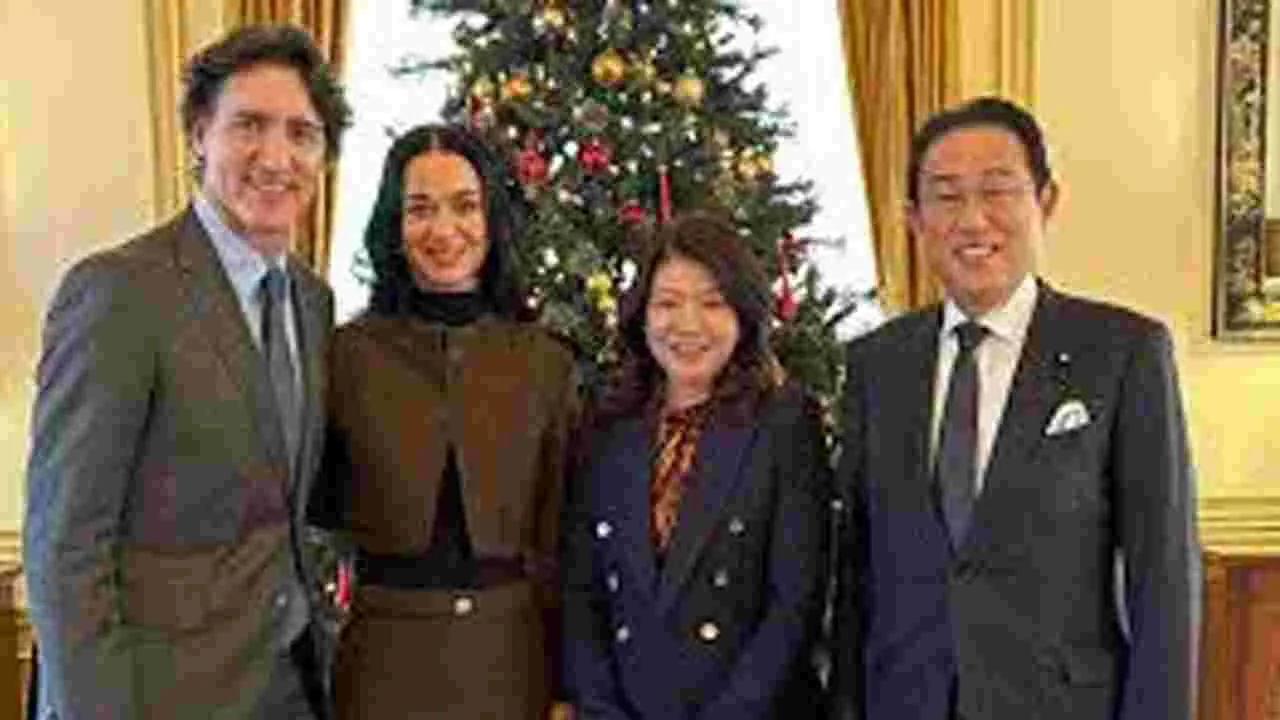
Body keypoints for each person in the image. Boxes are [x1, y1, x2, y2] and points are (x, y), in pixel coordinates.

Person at [827, 96, 1200, 720]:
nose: (973, 220)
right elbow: (857, 575)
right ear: (914, 219)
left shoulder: (1122, 353)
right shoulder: (877, 364)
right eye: (946, 196)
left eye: (998, 190)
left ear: (1045, 201)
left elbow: (1163, 577)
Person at [22, 24, 350, 719]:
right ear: (199, 135)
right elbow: (65, 547)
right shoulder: (119, 292)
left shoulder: (313, 302)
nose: (277, 157)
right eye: (249, 125)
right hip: (161, 697)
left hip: (288, 687)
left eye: (302, 133)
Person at [307, 123, 579, 719]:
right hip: (383, 662)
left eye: (464, 205)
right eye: (420, 209)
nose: (444, 229)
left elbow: (561, 540)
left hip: (513, 661)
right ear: (394, 225)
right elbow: (318, 509)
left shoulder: (547, 362)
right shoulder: (346, 355)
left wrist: (566, 687)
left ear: (492, 218)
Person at [562, 212, 830, 719]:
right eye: (667, 303)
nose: (687, 325)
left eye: (712, 303)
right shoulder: (608, 423)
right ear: (642, 315)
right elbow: (582, 594)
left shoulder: (785, 420)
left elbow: (794, 606)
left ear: (743, 315)